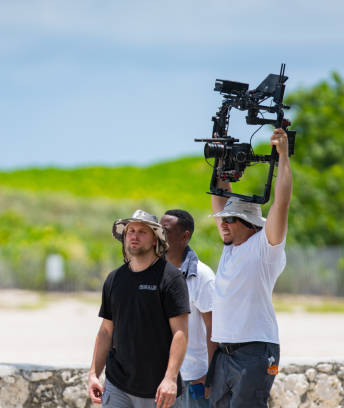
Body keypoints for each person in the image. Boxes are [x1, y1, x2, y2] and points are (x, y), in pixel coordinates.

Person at [205, 128, 292, 407]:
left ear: (250, 224)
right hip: (224, 353)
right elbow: (220, 196)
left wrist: (284, 158)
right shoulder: (231, 247)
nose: (224, 224)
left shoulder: (266, 247)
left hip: (255, 351)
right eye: (224, 220)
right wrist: (222, 156)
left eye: (231, 219)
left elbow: (282, 203)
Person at [88, 209, 191, 408]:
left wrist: (170, 379)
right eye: (130, 231)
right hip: (117, 385)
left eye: (142, 232)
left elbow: (180, 333)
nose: (134, 236)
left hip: (159, 390)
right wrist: (94, 374)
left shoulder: (171, 278)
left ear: (155, 239)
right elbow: (106, 331)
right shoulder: (114, 279)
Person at [160, 209, 216, 408]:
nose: (160, 235)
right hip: (159, 379)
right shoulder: (153, 272)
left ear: (185, 236)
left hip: (193, 379)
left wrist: (211, 375)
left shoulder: (202, 275)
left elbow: (214, 327)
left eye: (165, 230)